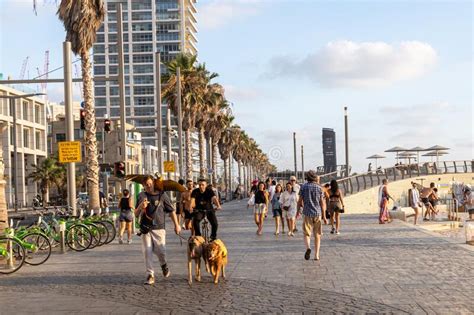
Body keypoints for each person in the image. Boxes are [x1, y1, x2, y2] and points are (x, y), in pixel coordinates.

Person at [134, 175, 181, 285]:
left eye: (150, 183)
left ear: (154, 183)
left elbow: (171, 211)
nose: (148, 186)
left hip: (159, 228)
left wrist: (177, 225)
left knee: (161, 251)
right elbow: (136, 214)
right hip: (145, 228)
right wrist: (141, 206)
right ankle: (150, 275)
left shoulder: (162, 195)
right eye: (146, 184)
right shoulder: (141, 196)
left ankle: (164, 265)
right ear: (143, 185)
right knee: (147, 251)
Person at [297, 170, 325, 261]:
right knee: (317, 235)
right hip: (317, 213)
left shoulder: (303, 187)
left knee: (306, 233)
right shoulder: (319, 187)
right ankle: (316, 255)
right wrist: (324, 216)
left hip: (307, 213)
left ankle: (308, 247)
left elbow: (299, 201)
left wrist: (298, 211)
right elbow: (322, 203)